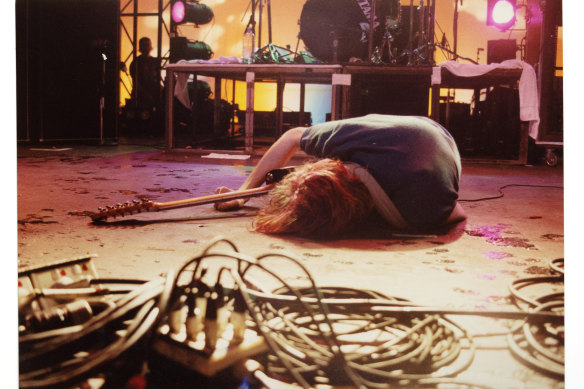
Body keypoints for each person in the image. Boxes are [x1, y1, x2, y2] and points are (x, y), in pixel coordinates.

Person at [215, 114, 466, 238]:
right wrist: (242, 195)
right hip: (409, 137)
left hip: (433, 131)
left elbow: (459, 212)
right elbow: (292, 137)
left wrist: (243, 194)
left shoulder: (417, 214)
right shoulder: (421, 209)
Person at [129, 37, 162, 118]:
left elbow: (158, 79)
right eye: (144, 45)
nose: (146, 47)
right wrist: (147, 94)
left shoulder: (155, 61)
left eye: (147, 45)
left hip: (152, 95)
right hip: (140, 97)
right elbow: (136, 82)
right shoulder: (136, 62)